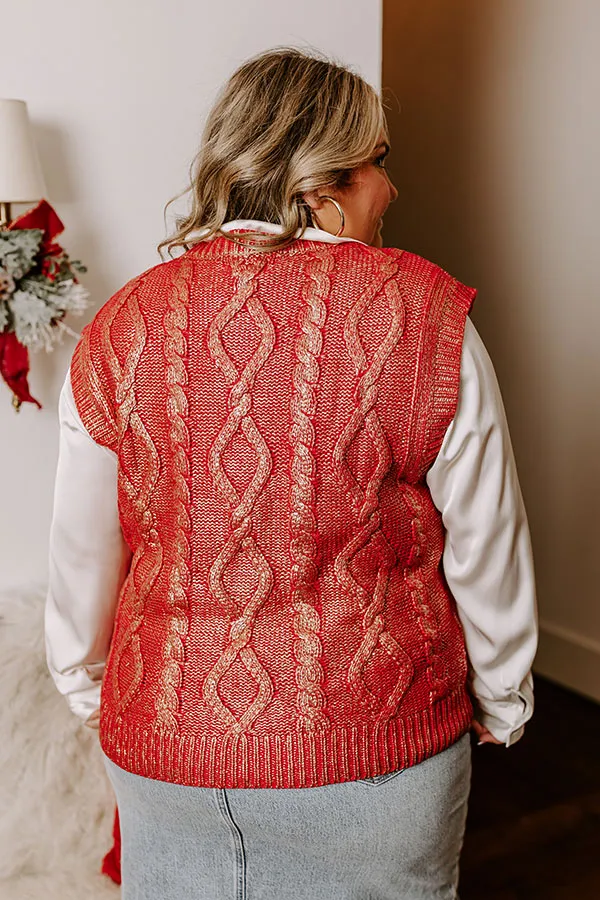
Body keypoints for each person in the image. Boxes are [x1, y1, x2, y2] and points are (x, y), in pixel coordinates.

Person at [45, 48, 538, 900]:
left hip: (166, 755)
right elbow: (485, 539)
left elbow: (84, 551)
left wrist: (96, 692)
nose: (391, 188)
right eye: (378, 162)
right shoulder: (426, 317)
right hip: (375, 753)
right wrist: (504, 695)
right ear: (318, 182)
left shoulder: (122, 324)